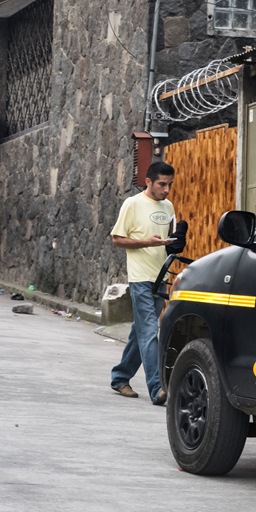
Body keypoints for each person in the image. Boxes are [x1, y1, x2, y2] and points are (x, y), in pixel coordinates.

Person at [109, 161, 176, 406]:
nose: (166, 189)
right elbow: (117, 239)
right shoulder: (132, 204)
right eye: (161, 184)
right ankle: (157, 388)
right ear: (148, 182)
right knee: (149, 332)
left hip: (162, 277)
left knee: (141, 332)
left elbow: (169, 238)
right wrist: (146, 242)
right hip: (140, 278)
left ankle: (120, 377)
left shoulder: (168, 206)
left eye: (169, 184)